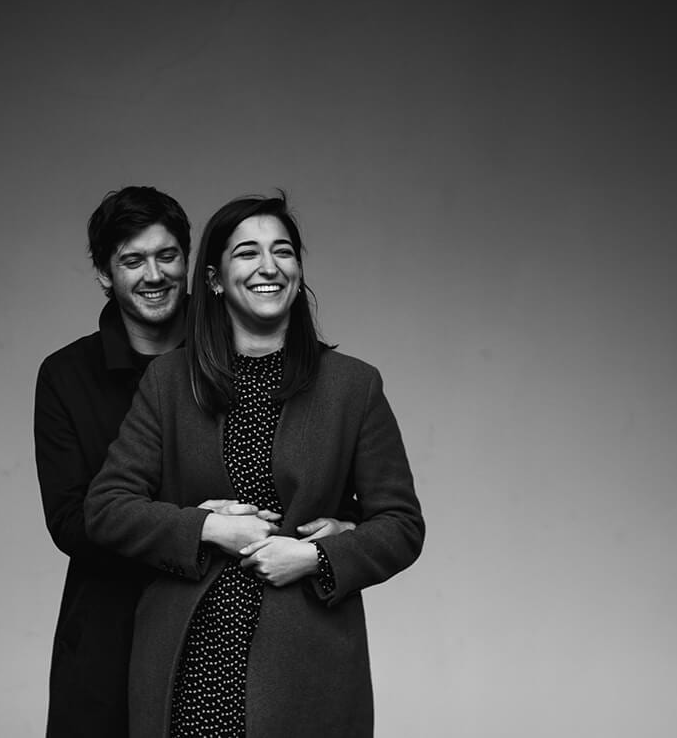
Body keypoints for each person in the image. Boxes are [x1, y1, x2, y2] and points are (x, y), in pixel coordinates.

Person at [85, 194, 424, 737]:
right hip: (190, 659)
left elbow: (403, 526)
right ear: (216, 279)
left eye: (283, 251)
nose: (269, 266)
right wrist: (210, 528)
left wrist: (316, 555)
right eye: (248, 253)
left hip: (308, 667)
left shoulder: (354, 386)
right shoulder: (170, 382)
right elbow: (105, 508)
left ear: (297, 272)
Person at [35, 187, 318, 736]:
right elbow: (72, 521)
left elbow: (303, 470)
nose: (154, 275)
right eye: (132, 260)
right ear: (103, 273)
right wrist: (201, 525)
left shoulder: (250, 345)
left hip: (225, 626)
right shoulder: (66, 375)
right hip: (109, 626)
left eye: (167, 256)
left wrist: (343, 522)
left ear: (192, 263)